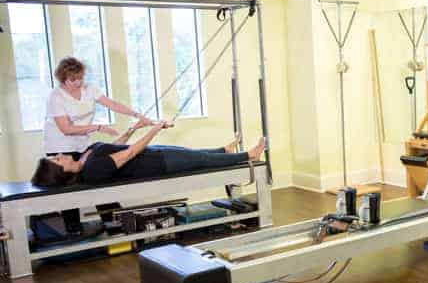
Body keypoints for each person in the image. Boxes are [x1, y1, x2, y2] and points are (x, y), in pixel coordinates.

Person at [42, 56, 154, 232]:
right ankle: (74, 230)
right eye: (73, 80)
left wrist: (137, 115)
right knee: (70, 190)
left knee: (100, 179)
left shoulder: (89, 89)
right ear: (63, 79)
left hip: (82, 144)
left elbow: (112, 104)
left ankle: (115, 223)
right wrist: (99, 127)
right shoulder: (55, 96)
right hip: (59, 147)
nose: (78, 82)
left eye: (80, 78)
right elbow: (66, 129)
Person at [31, 117, 266, 187]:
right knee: (200, 160)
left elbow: (118, 145)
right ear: (62, 171)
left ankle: (224, 149)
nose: (58, 155)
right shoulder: (92, 170)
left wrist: (135, 127)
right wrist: (155, 128)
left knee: (195, 154)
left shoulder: (84, 158)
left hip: (154, 153)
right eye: (56, 160)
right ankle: (249, 156)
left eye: (55, 156)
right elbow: (131, 153)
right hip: (157, 163)